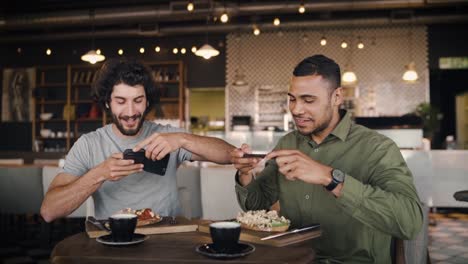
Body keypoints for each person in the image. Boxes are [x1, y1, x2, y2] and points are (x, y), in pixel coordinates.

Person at [231, 55, 423, 263]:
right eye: (292, 99)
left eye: (308, 100)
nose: (296, 109)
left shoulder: (377, 149)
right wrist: (245, 174)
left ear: (337, 97)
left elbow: (409, 222)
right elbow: (256, 205)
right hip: (293, 258)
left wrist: (330, 178)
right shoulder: (287, 143)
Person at [41, 59, 235, 221]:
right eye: (121, 101)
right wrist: (98, 174)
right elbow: (49, 211)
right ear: (107, 102)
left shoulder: (168, 136)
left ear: (147, 101)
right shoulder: (88, 145)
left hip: (167, 239)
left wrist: (183, 139)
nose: (131, 112)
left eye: (138, 100)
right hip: (116, 243)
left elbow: (230, 155)